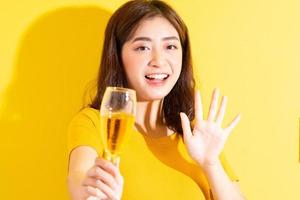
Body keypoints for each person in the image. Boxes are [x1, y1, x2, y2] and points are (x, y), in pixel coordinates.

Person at [67, 0, 245, 199]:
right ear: (118, 55)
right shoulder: (97, 123)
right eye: (143, 48)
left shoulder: (196, 133)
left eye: (170, 46)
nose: (159, 61)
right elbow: (80, 180)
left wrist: (211, 163)